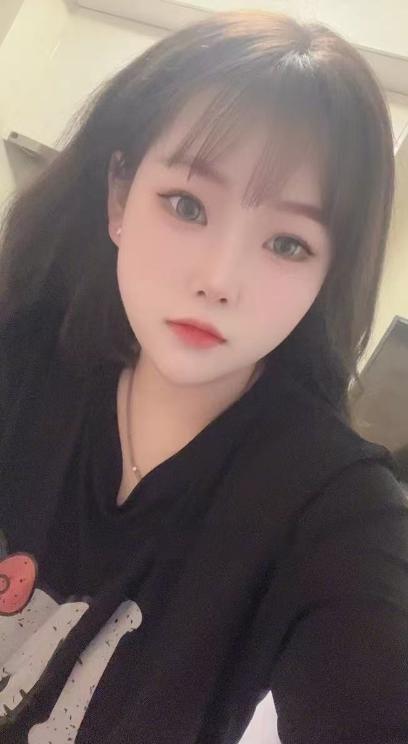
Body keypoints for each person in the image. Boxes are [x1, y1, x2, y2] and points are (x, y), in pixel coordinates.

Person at [0, 8, 407, 743]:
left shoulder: (331, 509)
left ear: (327, 274)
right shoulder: (22, 354)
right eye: (186, 205)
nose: (219, 279)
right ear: (120, 196)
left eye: (287, 243)